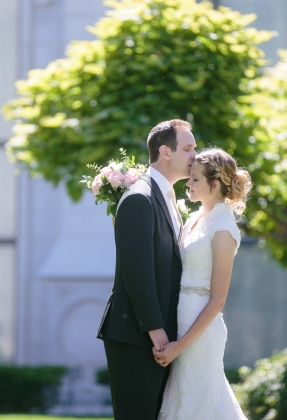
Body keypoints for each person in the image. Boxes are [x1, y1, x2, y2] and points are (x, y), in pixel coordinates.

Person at [97, 119, 197, 419]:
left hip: (159, 338)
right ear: (165, 152)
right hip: (137, 337)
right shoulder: (140, 198)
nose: (195, 154)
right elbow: (136, 271)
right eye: (188, 148)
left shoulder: (166, 197)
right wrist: (155, 329)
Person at [155, 149, 251, 419]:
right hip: (180, 322)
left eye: (195, 179)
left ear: (215, 184)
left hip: (198, 334)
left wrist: (180, 345)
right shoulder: (197, 217)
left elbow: (218, 299)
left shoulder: (222, 228)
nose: (188, 184)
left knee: (200, 406)